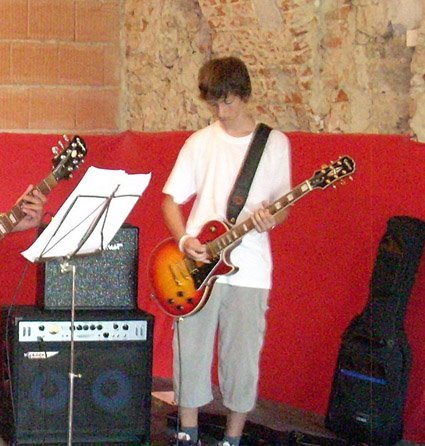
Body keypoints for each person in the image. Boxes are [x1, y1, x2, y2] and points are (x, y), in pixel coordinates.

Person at [161, 56, 292, 446]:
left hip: (250, 268)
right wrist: (185, 241)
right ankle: (187, 433)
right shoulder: (199, 142)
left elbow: (283, 205)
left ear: (245, 94)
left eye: (228, 102)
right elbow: (170, 201)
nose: (221, 111)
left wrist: (271, 218)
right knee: (190, 352)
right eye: (214, 103)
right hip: (200, 264)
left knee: (242, 361)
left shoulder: (274, 144)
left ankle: (232, 439)